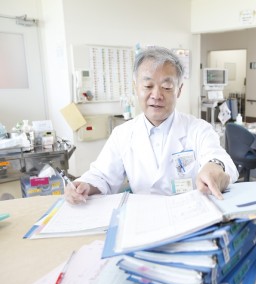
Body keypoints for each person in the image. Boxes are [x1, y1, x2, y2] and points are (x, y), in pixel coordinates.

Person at [65, 46, 238, 204]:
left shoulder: (198, 129)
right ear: (136, 87)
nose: (156, 95)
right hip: (142, 219)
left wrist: (214, 166)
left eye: (167, 87)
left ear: (179, 89)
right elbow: (101, 176)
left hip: (189, 216)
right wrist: (84, 185)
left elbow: (219, 159)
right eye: (148, 85)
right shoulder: (123, 134)